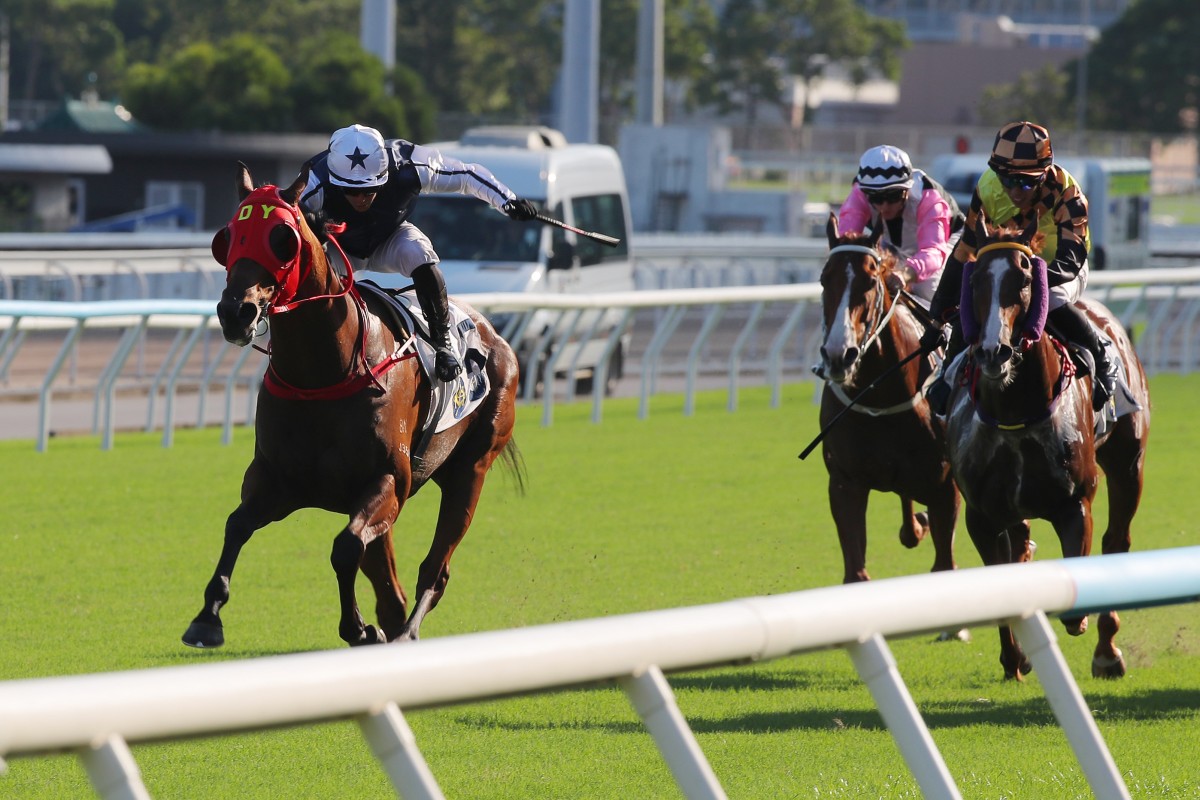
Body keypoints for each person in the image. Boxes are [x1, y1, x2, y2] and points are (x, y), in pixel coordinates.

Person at [301, 124, 538, 381]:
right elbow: (282, 216)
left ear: (385, 174)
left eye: (370, 189)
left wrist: (507, 201)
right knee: (306, 271)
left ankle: (442, 344)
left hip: (389, 238)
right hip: (339, 247)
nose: (361, 198)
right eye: (351, 190)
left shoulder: (408, 164)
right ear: (335, 180)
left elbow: (468, 175)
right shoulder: (314, 179)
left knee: (421, 254)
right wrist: (308, 220)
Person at [922, 120, 1116, 413]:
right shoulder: (986, 188)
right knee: (976, 303)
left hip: (1057, 267)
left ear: (1045, 173)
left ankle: (1101, 359)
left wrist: (1028, 282)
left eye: (1025, 182)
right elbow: (964, 253)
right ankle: (949, 372)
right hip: (1006, 268)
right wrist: (937, 315)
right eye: (1007, 180)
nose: (1015, 191)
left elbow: (1071, 258)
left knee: (1054, 300)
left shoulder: (1068, 192)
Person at [837, 144, 958, 303]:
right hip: (897, 245)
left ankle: (950, 327)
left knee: (927, 290)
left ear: (907, 190)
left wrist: (906, 274)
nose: (884, 206)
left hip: (947, 241)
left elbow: (933, 251)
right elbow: (845, 243)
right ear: (866, 193)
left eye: (893, 196)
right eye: (876, 198)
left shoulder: (929, 200)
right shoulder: (859, 194)